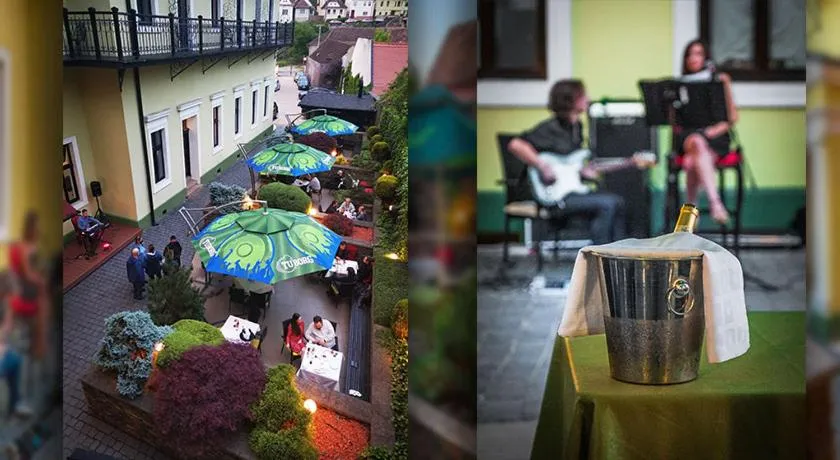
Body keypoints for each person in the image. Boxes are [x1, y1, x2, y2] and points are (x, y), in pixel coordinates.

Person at [506, 79, 628, 245]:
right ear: (570, 100)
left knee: (618, 202)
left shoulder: (576, 127)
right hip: (555, 195)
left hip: (572, 190)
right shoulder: (551, 127)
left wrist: (585, 173)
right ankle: (600, 255)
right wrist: (542, 166)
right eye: (583, 95)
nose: (588, 99)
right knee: (608, 204)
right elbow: (515, 144)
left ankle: (618, 253)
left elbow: (572, 165)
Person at [675, 39, 739, 225]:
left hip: (714, 139)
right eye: (689, 54)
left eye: (698, 54)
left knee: (692, 161)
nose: (693, 58)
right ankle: (715, 203)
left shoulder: (718, 81)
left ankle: (690, 212)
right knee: (696, 141)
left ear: (706, 58)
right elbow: (676, 123)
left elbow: (731, 118)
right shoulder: (680, 86)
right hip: (689, 137)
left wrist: (726, 85)